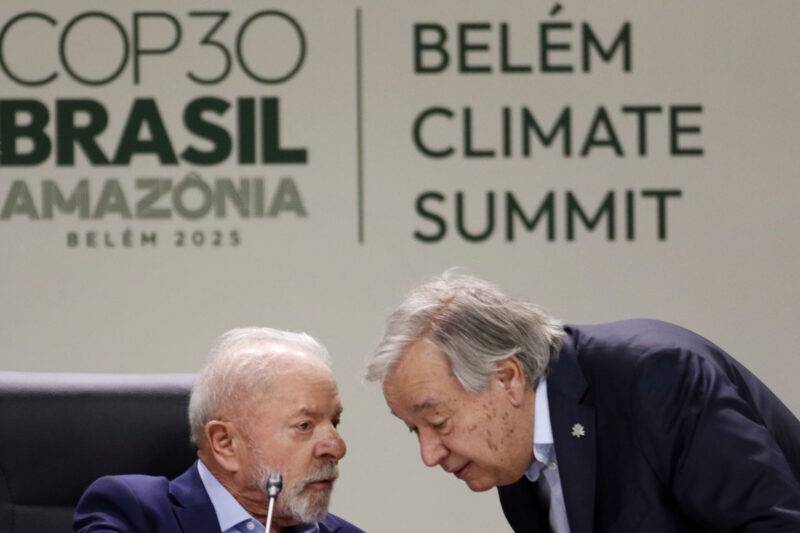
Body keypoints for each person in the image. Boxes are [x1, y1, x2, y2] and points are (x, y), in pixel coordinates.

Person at [365, 272, 800, 532]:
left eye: (439, 422)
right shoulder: (513, 452)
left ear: (508, 378)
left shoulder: (655, 378)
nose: (429, 454)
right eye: (414, 430)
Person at [75, 327, 363, 533]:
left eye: (334, 422)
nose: (337, 447)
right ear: (225, 443)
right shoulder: (133, 514)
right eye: (304, 426)